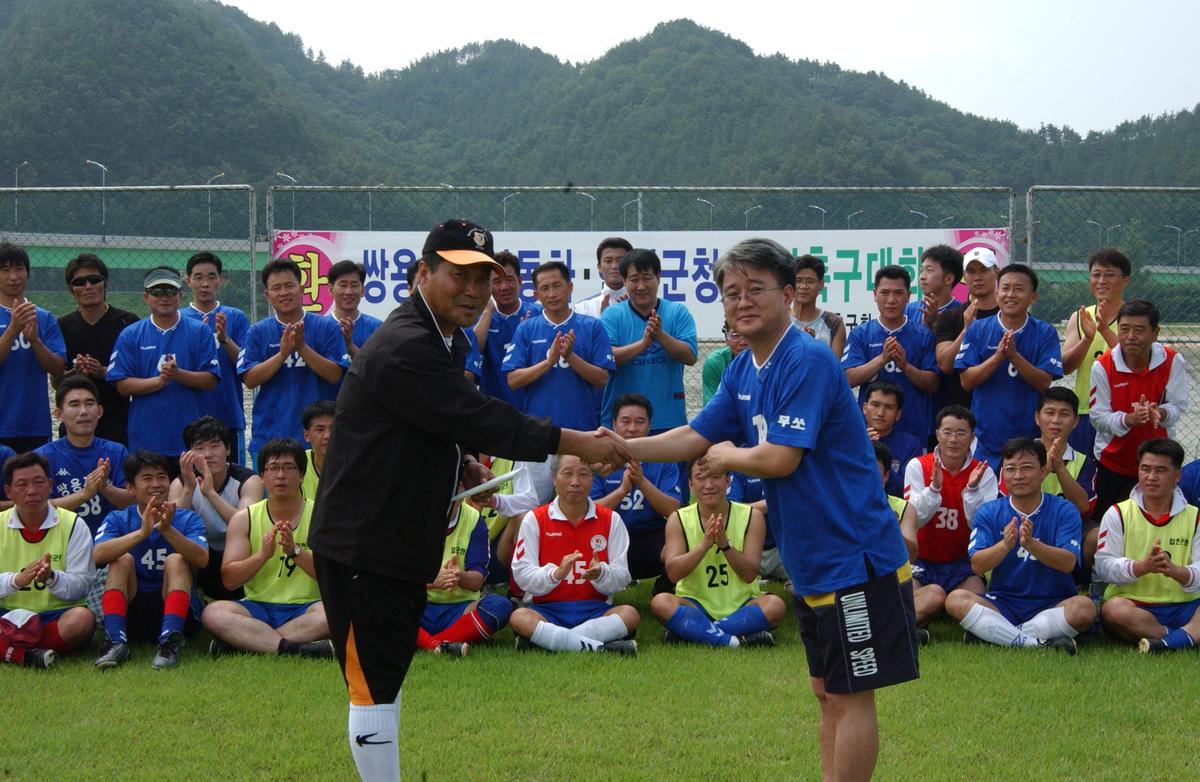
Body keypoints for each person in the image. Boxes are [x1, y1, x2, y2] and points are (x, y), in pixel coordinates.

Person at [307, 218, 629, 782]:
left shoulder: (442, 337)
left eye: (485, 277)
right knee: (371, 683)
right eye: (460, 275)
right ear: (423, 274)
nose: (474, 289)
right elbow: (477, 416)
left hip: (395, 538)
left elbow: (430, 422)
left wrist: (460, 461)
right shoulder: (408, 344)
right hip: (364, 544)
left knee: (385, 674)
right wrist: (577, 442)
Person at [624, 238, 917, 782]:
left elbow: (779, 459)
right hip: (811, 556)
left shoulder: (805, 358)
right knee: (826, 690)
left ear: (787, 294)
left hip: (854, 555)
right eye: (731, 293)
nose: (741, 302)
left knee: (852, 695)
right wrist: (623, 447)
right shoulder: (743, 368)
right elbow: (694, 434)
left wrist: (729, 454)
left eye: (754, 289)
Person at [944, 438, 1094, 653]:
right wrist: (1005, 545)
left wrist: (1033, 545)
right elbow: (977, 566)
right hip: (1003, 603)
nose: (1018, 476)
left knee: (1084, 608)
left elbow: (1069, 563)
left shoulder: (1065, 510)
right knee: (956, 600)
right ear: (1002, 474)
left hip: (1054, 602)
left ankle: (997, 634)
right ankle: (1032, 643)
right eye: (1010, 469)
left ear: (1043, 471)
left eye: (1026, 468)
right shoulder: (989, 511)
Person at [202, 439, 332, 658]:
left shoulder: (321, 515)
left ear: (301, 475)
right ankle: (292, 649)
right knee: (213, 612)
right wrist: (262, 555)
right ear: (262, 477)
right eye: (273, 468)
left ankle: (246, 644)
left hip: (307, 607)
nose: (280, 475)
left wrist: (295, 552)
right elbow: (230, 580)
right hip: (258, 607)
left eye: (288, 468)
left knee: (337, 612)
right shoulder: (245, 518)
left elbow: (330, 576)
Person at [508, 455, 639, 653]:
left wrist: (601, 573)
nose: (575, 482)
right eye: (567, 474)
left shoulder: (611, 519)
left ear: (592, 479)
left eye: (583, 475)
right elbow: (522, 575)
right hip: (546, 610)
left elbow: (623, 577)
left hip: (595, 609)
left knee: (629, 614)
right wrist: (555, 574)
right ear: (554, 478)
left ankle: (554, 643)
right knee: (519, 617)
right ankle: (600, 648)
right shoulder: (534, 519)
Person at [92, 451, 209, 669]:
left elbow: (202, 559)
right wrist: (141, 534)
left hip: (178, 610)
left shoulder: (187, 517)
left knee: (176, 560)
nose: (156, 484)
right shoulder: (118, 518)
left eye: (162, 477)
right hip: (132, 610)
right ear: (130, 488)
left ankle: (169, 644)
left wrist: (167, 530)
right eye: (147, 478)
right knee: (121, 559)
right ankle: (116, 642)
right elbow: (98, 555)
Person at [650, 459, 785, 647]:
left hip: (742, 603)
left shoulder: (751, 516)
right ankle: (731, 641)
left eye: (716, 477)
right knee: (660, 603)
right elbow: (673, 573)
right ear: (690, 484)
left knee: (775, 605)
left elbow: (749, 574)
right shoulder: (678, 518)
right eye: (700, 478)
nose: (709, 485)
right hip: (695, 603)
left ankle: (696, 632)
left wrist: (725, 546)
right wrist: (703, 546)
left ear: (728, 481)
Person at [108, 267, 220, 472]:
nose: (164, 297)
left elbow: (211, 379)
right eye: (157, 292)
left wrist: (179, 375)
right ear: (146, 297)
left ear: (180, 295)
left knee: (190, 500)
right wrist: (159, 381)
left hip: (190, 440)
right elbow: (122, 385)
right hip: (146, 439)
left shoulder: (200, 331)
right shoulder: (131, 334)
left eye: (170, 291)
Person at [239, 259, 349, 466]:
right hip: (270, 435)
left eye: (289, 286)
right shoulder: (257, 331)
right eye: (276, 288)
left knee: (319, 498)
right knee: (273, 497)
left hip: (319, 438)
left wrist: (302, 348)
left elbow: (335, 375)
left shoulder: (326, 327)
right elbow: (250, 379)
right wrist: (282, 354)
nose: (284, 293)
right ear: (267, 295)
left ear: (302, 288)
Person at [1089, 298, 1188, 525]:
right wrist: (1128, 420)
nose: (1130, 336)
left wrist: (1161, 414)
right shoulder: (1103, 365)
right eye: (1124, 329)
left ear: (1155, 332)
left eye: (1139, 330)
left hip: (1157, 463)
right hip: (1112, 461)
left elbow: (1178, 405)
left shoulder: (1173, 361)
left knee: (1154, 523)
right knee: (1107, 523)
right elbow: (1098, 416)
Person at [1096, 439, 1200, 652]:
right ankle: (1183, 638)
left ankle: (1165, 643)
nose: (1151, 477)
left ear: (1177, 476)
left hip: (1187, 605)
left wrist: (1175, 571)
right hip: (1136, 606)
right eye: (1145, 469)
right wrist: (1141, 567)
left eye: (1160, 470)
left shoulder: (1195, 516)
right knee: (1114, 611)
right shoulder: (1118, 513)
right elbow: (1103, 566)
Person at [956, 263, 1062, 470]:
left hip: (1028, 440)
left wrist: (1014, 357)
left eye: (1019, 289)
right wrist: (997, 358)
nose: (1010, 294)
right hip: (985, 439)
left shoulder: (1045, 332)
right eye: (1005, 288)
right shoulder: (978, 329)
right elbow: (966, 381)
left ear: (1033, 297)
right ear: (997, 293)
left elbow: (1044, 382)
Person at [903, 405, 996, 629]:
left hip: (962, 563)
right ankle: (902, 628)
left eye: (961, 433)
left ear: (972, 437)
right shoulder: (918, 465)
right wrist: (934, 489)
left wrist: (972, 491)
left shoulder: (984, 472)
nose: (953, 439)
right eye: (947, 432)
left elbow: (982, 526)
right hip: (922, 561)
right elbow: (914, 519)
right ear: (937, 434)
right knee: (921, 599)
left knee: (977, 602)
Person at [0, 452, 96, 669]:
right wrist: (16, 580)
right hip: (7, 616)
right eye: (22, 484)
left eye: (38, 482)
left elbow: (82, 585)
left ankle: (10, 649)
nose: (31, 490)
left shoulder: (73, 524)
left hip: (55, 617)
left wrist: (51, 578)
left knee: (82, 620)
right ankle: (27, 656)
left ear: (50, 485)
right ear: (8, 491)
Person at [504, 260, 614, 431]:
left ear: (569, 288)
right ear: (536, 295)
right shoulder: (526, 328)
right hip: (537, 432)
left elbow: (602, 379)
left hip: (581, 429)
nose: (552, 293)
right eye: (545, 288)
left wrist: (570, 357)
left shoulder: (592, 326)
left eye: (557, 286)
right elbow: (513, 380)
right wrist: (548, 363)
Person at [590, 393, 682, 593]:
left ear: (649, 426)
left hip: (652, 537)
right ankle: (593, 594)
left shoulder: (664, 459)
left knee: (684, 533)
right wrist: (622, 491)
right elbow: (588, 511)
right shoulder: (599, 460)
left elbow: (673, 509)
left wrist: (641, 481)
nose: (632, 428)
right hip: (611, 537)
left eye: (640, 422)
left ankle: (665, 589)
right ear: (614, 424)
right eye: (625, 421)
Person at [600, 249, 698, 432]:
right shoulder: (612, 315)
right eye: (634, 279)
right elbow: (606, 358)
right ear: (624, 281)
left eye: (647, 278)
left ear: (658, 277)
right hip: (622, 424)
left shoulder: (677, 312)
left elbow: (690, 355)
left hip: (668, 420)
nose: (641, 286)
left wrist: (660, 336)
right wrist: (643, 344)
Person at [843, 265, 939, 444]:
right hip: (869, 433)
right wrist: (882, 359)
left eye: (898, 293)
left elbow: (933, 383)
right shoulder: (861, 333)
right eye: (885, 293)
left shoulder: (922, 334)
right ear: (874, 294)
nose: (891, 300)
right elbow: (848, 378)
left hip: (913, 432)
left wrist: (905, 366)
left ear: (909, 296)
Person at [170, 416, 262, 601]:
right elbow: (172, 530)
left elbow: (248, 526)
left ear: (227, 449)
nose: (207, 454)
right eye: (199, 448)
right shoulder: (181, 483)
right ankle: (190, 605)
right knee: (178, 555)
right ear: (188, 454)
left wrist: (211, 494)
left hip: (239, 552)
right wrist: (189, 488)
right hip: (203, 554)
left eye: (214, 446)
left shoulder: (248, 480)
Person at [416, 490, 513, 657]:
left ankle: (425, 642)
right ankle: (437, 646)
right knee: (378, 598)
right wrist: (431, 579)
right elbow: (394, 575)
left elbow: (477, 580)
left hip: (459, 610)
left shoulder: (474, 520)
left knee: (500, 606)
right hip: (417, 604)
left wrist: (458, 576)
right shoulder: (412, 515)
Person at [56, 253, 140, 445]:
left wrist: (104, 372)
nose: (88, 287)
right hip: (76, 420)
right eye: (80, 282)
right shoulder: (62, 326)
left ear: (105, 284)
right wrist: (75, 374)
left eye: (95, 280)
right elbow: (56, 382)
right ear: (71, 289)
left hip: (119, 418)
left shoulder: (127, 323)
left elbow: (140, 374)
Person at [36, 374, 134, 534]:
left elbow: (132, 501)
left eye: (89, 404)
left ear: (99, 411)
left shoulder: (117, 451)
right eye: (74, 405)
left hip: (109, 540)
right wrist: (84, 494)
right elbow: (37, 508)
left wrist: (105, 488)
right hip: (61, 539)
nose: (83, 411)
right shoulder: (42, 457)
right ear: (58, 415)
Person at [181, 251, 251, 462]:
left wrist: (224, 339)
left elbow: (246, 366)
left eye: (211, 277)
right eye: (198, 277)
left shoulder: (235, 317)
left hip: (227, 414)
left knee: (231, 481)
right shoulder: (179, 319)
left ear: (220, 281)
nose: (205, 283)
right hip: (189, 417)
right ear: (188, 281)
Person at [1061, 248, 1130, 456]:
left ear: (1125, 280)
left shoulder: (1135, 316)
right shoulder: (1080, 317)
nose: (1101, 280)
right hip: (1085, 412)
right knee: (1084, 479)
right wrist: (1087, 339)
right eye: (1096, 274)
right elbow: (1065, 367)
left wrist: (1105, 330)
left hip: (1124, 414)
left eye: (1109, 274)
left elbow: (1135, 363)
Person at [0, 242, 66, 453]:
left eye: (19, 268)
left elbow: (58, 370)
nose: (13, 276)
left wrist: (35, 341)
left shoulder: (44, 318)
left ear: (27, 273)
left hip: (34, 424)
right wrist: (12, 330)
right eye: (5, 270)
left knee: (34, 485)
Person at [471, 250, 540, 409]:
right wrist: (488, 312)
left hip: (532, 407)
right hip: (493, 408)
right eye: (496, 281)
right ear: (488, 285)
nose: (504, 287)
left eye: (509, 279)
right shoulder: (479, 318)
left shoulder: (538, 314)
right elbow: (473, 349)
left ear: (520, 281)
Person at [934, 247, 999, 411]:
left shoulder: (1009, 317)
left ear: (996, 271)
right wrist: (966, 330)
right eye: (971, 272)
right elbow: (945, 365)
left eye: (984, 270)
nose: (978, 277)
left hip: (1001, 408)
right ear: (964, 276)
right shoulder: (950, 317)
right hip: (961, 412)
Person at [862, 380, 924, 498]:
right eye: (875, 405)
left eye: (889, 407)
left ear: (898, 414)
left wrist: (876, 455)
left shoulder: (910, 445)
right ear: (865, 408)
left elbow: (905, 489)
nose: (880, 413)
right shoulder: (850, 439)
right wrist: (861, 448)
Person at [790, 254, 847, 357]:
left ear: (821, 285)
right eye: (798, 281)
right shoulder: (778, 319)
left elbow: (834, 368)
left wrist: (812, 346)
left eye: (810, 281)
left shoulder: (833, 323)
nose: (803, 286)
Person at [873, 443, 918, 562]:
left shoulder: (905, 508)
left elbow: (911, 556)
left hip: (892, 576)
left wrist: (894, 529)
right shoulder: (840, 506)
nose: (867, 478)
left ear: (886, 475)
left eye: (873, 472)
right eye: (861, 471)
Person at [906, 245, 964, 329]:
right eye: (921, 270)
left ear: (949, 279)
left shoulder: (963, 313)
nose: (922, 277)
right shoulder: (908, 310)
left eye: (929, 270)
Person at [575, 237, 632, 318]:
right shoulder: (583, 308)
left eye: (620, 261)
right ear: (599, 267)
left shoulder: (645, 305)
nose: (614, 266)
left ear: (630, 266)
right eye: (608, 261)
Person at [702, 321, 749, 404]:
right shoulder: (717, 362)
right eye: (736, 335)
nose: (743, 342)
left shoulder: (773, 363)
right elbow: (712, 408)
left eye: (749, 335)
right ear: (727, 339)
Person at [298, 400, 335, 501]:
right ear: (306, 436)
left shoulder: (354, 464)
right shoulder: (297, 464)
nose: (328, 435)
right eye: (320, 429)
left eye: (334, 429)